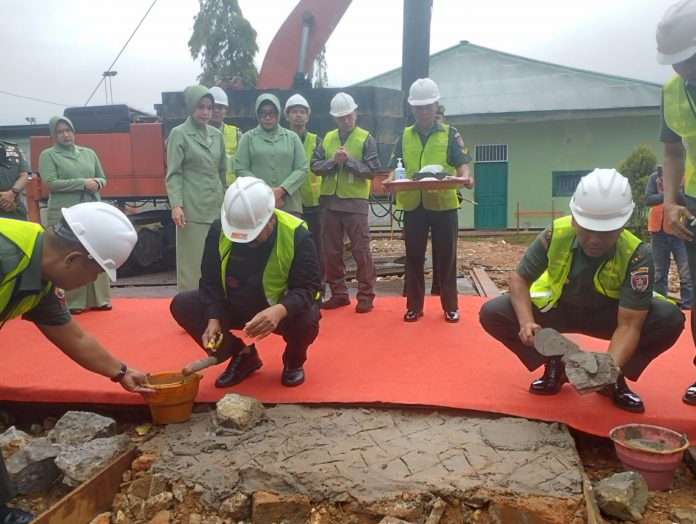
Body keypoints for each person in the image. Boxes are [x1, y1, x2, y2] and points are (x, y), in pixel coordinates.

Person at [479, 169, 685, 413]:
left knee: (668, 318)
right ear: (575, 219)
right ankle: (556, 363)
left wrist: (605, 370)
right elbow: (519, 280)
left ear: (622, 226)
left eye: (606, 232)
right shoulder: (555, 234)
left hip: (610, 317)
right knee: (494, 312)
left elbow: (629, 325)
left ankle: (612, 378)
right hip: (558, 310)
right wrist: (526, 323)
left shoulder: (637, 255)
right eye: (588, 229)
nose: (595, 240)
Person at [0, 201, 150, 523]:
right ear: (73, 259)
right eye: (95, 272)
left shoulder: (39, 276)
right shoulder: (5, 256)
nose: (94, 280)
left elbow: (75, 338)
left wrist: (122, 372)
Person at [170, 177, 321, 388]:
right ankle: (243, 355)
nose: (247, 241)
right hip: (236, 302)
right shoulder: (220, 229)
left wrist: (280, 310)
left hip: (278, 307)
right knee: (183, 304)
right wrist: (213, 318)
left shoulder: (297, 235)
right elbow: (210, 280)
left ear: (270, 219)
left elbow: (308, 288)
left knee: (307, 319)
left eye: (253, 235)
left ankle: (294, 361)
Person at [385, 78, 473, 323]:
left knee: (447, 257)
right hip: (414, 204)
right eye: (418, 107)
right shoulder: (404, 136)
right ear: (412, 109)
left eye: (428, 106)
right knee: (413, 256)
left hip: (444, 204)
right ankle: (414, 306)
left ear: (436, 106)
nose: (423, 111)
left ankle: (450, 306)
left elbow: (462, 166)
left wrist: (466, 178)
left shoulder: (450, 134)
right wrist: (390, 182)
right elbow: (395, 167)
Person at [655, 0, 696, 405]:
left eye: (689, 59)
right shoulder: (672, 92)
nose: (680, 69)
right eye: (675, 61)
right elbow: (672, 152)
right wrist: (670, 202)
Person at [311, 92, 381, 314]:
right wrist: (333, 161)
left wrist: (349, 161)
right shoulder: (327, 138)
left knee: (361, 251)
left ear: (355, 114)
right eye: (341, 117)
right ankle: (339, 294)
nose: (345, 120)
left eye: (348, 116)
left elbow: (372, 171)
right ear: (334, 119)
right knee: (330, 251)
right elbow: (314, 166)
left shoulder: (365, 138)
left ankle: (366, 295)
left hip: (355, 204)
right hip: (330, 203)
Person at [39, 116, 110, 314]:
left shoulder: (89, 153)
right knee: (71, 255)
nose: (65, 135)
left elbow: (102, 177)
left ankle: (101, 299)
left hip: (92, 210)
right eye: (60, 131)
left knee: (96, 251)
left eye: (68, 130)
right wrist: (82, 183)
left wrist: (98, 183)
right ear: (54, 134)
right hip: (66, 212)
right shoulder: (48, 155)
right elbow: (51, 182)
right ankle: (74, 302)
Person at [166, 85, 226, 293]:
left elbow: (222, 172)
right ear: (191, 107)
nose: (206, 112)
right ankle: (190, 304)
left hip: (215, 207)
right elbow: (174, 173)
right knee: (193, 262)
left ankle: (215, 304)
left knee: (216, 260)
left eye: (209, 107)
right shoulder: (179, 134)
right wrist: (176, 205)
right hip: (190, 209)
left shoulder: (217, 135)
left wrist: (225, 202)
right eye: (200, 107)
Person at [235, 93, 308, 217]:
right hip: (257, 204)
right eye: (263, 113)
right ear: (258, 114)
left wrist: (281, 191)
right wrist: (266, 192)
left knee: (289, 236)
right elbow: (241, 169)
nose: (268, 117)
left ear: (278, 114)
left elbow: (302, 168)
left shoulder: (292, 138)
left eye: (272, 113)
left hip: (289, 204)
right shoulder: (248, 138)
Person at [284, 93, 325, 295]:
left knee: (316, 247)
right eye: (294, 112)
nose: (298, 116)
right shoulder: (282, 139)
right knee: (290, 246)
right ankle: (293, 286)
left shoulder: (317, 141)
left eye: (302, 112)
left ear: (308, 117)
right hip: (290, 203)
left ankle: (318, 286)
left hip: (313, 202)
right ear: (287, 116)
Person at [644, 166, 692, 308]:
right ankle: (661, 307)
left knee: (686, 273)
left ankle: (689, 308)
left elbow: (686, 202)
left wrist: (674, 191)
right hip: (658, 231)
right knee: (659, 273)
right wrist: (667, 194)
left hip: (680, 230)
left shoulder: (687, 179)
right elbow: (648, 199)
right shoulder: (655, 178)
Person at [207, 86, 243, 187]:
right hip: (206, 193)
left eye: (220, 107)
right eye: (213, 107)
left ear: (225, 111)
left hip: (232, 191)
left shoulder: (237, 135)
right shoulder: (197, 135)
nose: (216, 111)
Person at [0, 140, 30, 221]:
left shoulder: (13, 148)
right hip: (7, 203)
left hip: (14, 208)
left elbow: (24, 175)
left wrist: (11, 194)